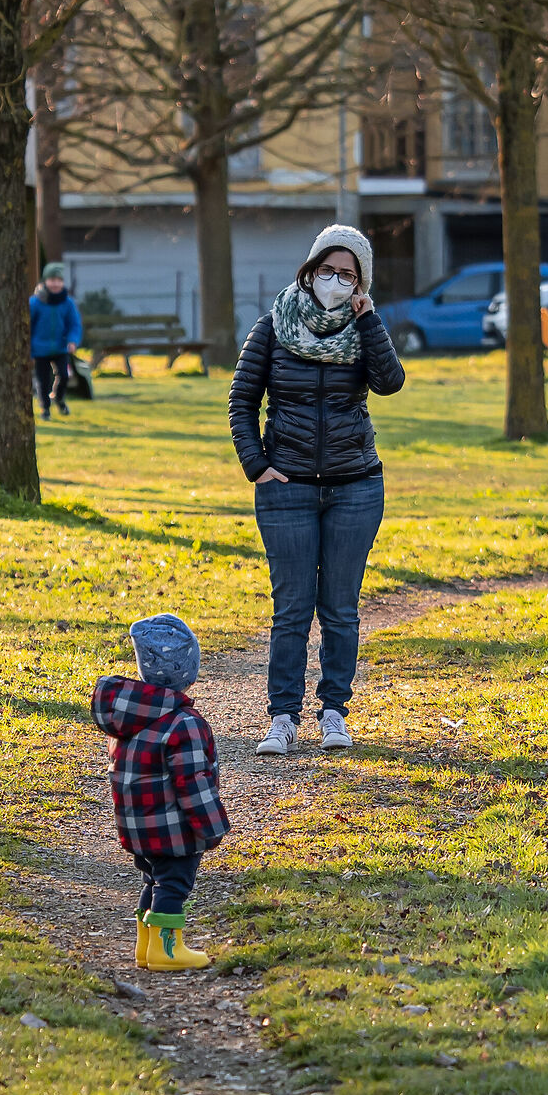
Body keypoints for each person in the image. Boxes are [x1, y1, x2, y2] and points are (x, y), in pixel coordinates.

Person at [227, 224, 405, 757]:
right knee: (292, 609)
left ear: (360, 283)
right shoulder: (272, 326)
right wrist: (257, 465)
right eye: (327, 270)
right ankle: (283, 717)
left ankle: (334, 714)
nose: (334, 280)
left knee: (340, 609)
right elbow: (242, 401)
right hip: (287, 489)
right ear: (309, 270)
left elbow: (390, 382)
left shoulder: (363, 328)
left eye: (347, 274)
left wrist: (368, 319)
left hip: (356, 487)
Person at [91, 614, 229, 972]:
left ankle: (146, 945)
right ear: (187, 672)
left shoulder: (129, 719)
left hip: (137, 830)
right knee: (173, 884)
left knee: (152, 879)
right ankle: (166, 951)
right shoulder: (185, 724)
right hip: (174, 831)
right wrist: (211, 827)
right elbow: (193, 782)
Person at [29, 262, 83, 419]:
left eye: (59, 280)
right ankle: (45, 408)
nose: (56, 284)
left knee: (64, 376)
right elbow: (29, 325)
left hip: (60, 347)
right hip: (40, 348)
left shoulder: (68, 303)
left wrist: (72, 340)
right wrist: (30, 347)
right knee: (43, 380)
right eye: (52, 280)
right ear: (45, 281)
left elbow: (74, 324)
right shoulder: (35, 302)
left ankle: (59, 398)